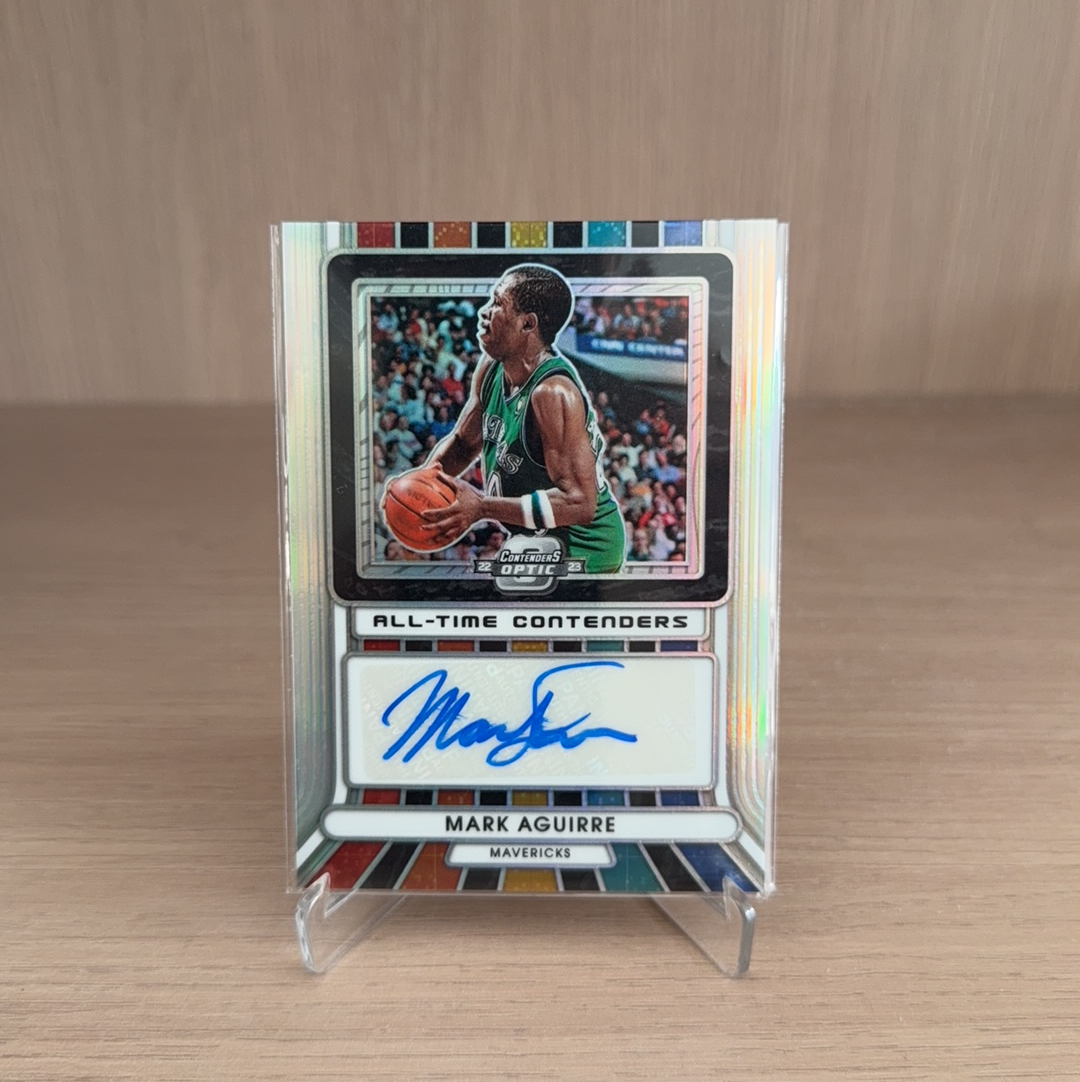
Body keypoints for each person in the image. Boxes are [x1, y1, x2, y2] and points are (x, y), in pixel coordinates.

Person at [418, 264, 625, 573]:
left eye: (497, 304)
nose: (484, 312)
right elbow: (463, 444)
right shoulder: (491, 368)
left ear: (527, 323)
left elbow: (580, 503)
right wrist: (420, 483)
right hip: (537, 539)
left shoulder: (553, 393)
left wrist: (482, 507)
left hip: (585, 546)